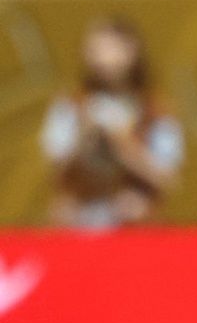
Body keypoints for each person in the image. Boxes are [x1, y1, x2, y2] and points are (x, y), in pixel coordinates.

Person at [39, 18, 184, 229]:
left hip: (133, 222)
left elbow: (168, 178)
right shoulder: (72, 105)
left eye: (111, 49)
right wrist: (83, 137)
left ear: (131, 51)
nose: (104, 59)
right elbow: (56, 166)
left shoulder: (154, 111)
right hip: (79, 220)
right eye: (96, 50)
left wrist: (124, 146)